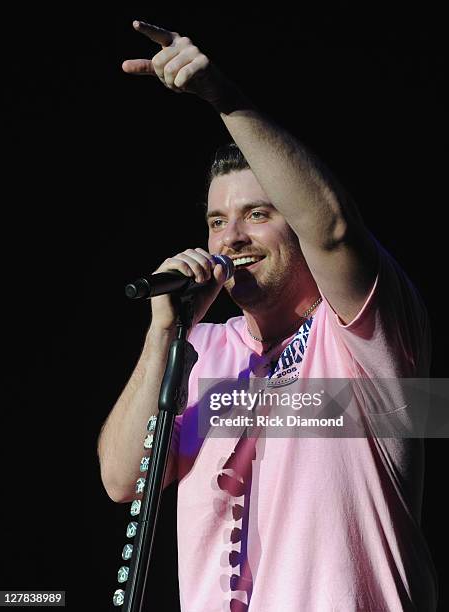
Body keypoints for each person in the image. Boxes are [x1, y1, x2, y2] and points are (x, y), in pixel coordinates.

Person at [97, 20, 438, 611]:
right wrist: (164, 333)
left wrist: (223, 99)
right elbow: (123, 479)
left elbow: (332, 229)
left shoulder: (365, 330)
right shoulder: (206, 350)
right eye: (216, 221)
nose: (231, 238)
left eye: (258, 214)